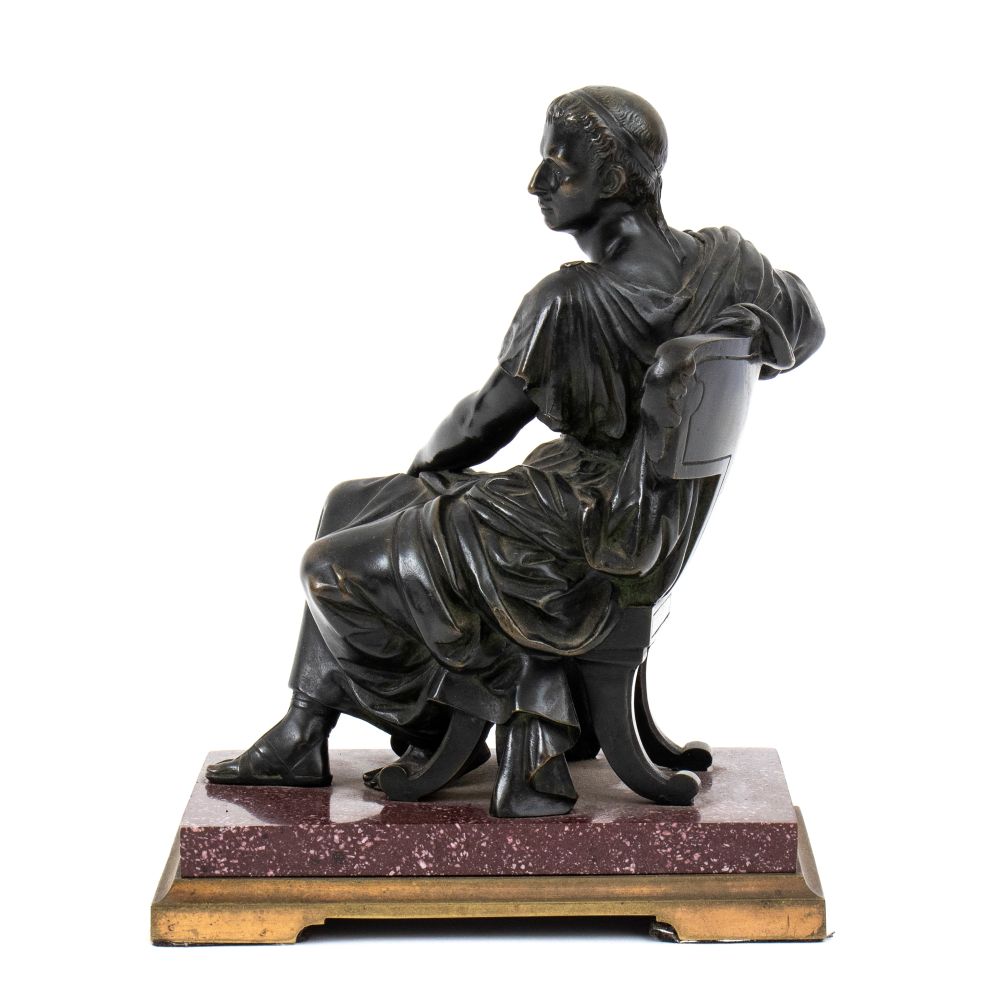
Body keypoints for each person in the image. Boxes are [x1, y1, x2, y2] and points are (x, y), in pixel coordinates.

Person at [207, 86, 824, 816]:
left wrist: (426, 466)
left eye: (557, 166)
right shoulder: (727, 262)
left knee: (328, 567)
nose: (537, 182)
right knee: (350, 502)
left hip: (583, 529)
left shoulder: (568, 301)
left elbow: (482, 423)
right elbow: (807, 323)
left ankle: (443, 718)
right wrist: (741, 330)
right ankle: (302, 731)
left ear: (613, 180)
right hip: (630, 516)